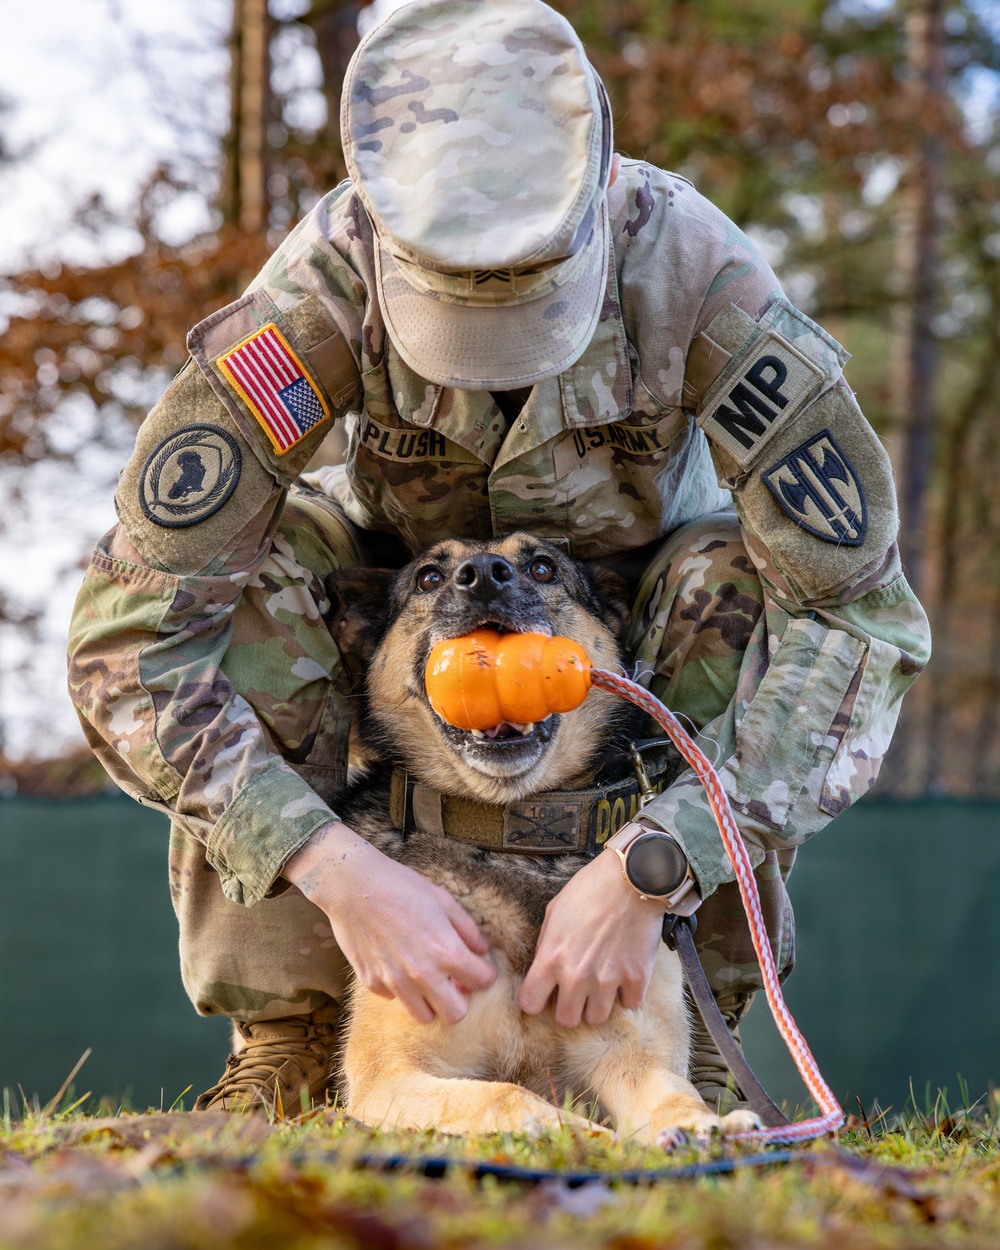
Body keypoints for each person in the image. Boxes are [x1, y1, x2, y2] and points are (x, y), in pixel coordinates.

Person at [68, 0, 929, 1115]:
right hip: (391, 597)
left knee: (734, 583)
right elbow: (128, 636)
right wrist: (334, 866)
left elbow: (859, 622)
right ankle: (293, 1029)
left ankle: (681, 1026)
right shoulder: (314, 297)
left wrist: (656, 862)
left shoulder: (703, 278)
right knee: (248, 580)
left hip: (625, 608)